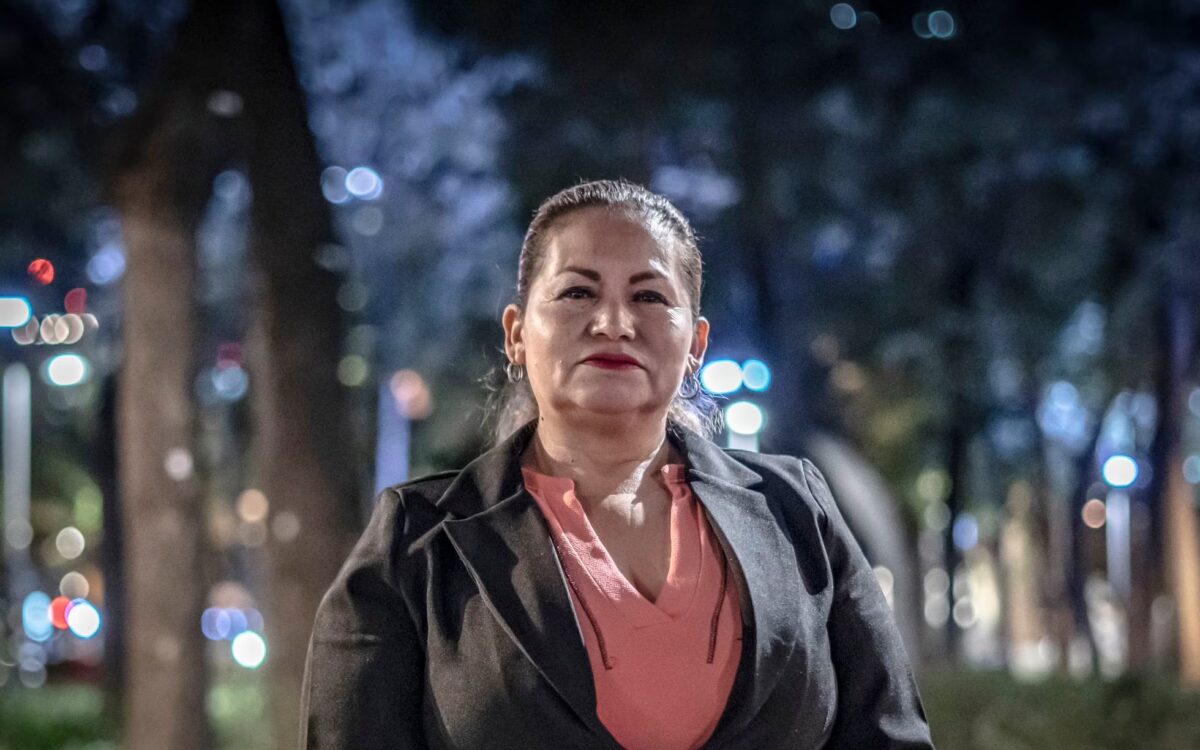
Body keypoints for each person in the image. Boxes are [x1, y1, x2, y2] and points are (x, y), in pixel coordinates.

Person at [299, 179, 934, 749]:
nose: (613, 323)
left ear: (696, 342)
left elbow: (889, 735)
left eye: (649, 296)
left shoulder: (797, 512)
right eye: (577, 292)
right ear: (516, 333)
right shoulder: (418, 543)